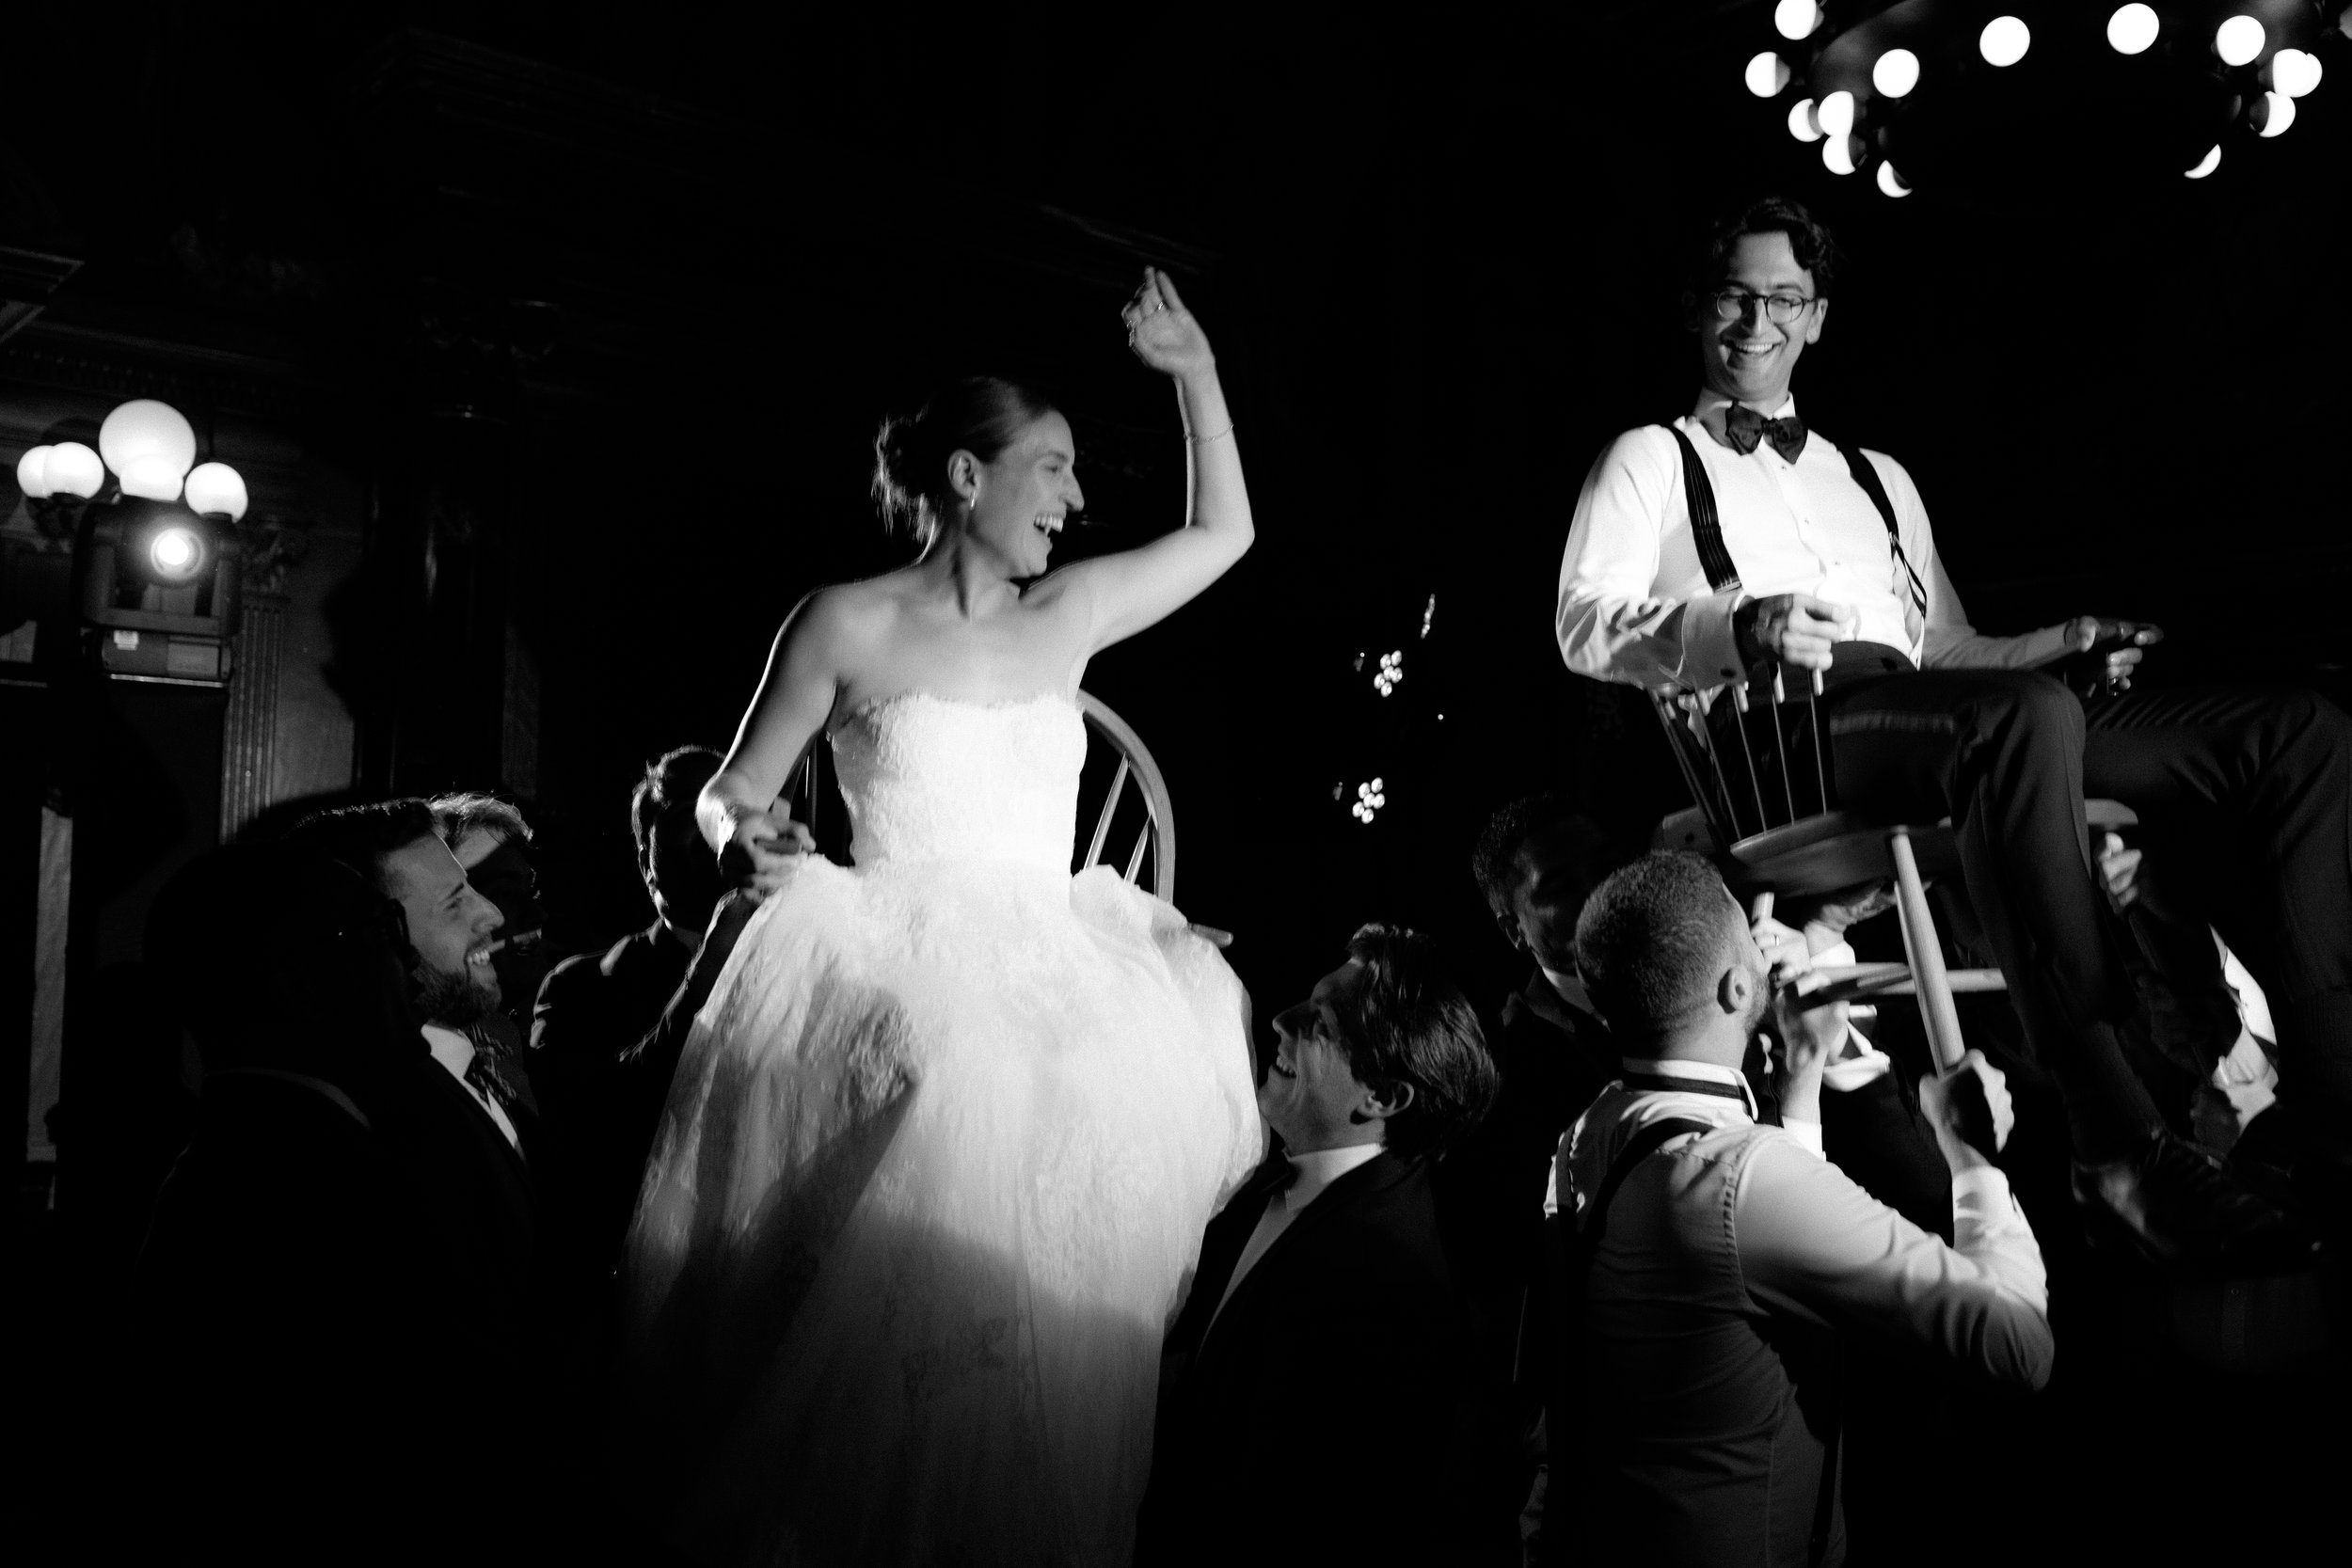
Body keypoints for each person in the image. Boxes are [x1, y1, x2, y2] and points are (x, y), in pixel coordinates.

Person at [1555, 194, 2341, 1268]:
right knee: (2024, 722)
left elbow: (1952, 656)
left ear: (1817, 315)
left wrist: (2065, 636)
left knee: (2293, 729)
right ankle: (2114, 1135)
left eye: (1784, 298)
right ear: (1698, 310)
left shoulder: (1878, 478)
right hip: (1796, 746)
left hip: (1941, 719)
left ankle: (2331, 1095)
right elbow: (1583, 622)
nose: (1756, 322)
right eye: (1735, 296)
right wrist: (1739, 625)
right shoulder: (1648, 457)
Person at [613, 270, 1263, 1565]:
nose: (1075, 501)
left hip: (1049, 937)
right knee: (963, 1065)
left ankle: (1025, 1446)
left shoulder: (1066, 615)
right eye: (1053, 470)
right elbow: (730, 789)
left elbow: (1221, 537)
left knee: (1094, 1074)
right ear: (969, 479)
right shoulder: (845, 619)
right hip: (888, 933)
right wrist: (745, 834)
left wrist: (1193, 369)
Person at [1544, 851, 2053, 1566]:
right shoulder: (1736, 1178)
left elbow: (1763, 1248)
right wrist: (1970, 1150)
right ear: (1734, 987)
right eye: (1753, 938)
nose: (1768, 937)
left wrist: (1804, 1082)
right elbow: (2018, 1345)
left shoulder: (1589, 1131)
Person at [1134, 924, 1499, 1567]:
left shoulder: (1386, 1289)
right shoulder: (1271, 1180)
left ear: (1383, 1095)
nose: (1280, 1019)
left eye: (1319, 1023)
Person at [530, 745, 729, 1278]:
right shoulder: (578, 986)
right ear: (645, 859)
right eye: (694, 816)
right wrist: (710, 969)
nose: (714, 837)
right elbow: (593, 1124)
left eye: (728, 816)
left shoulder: (813, 960)